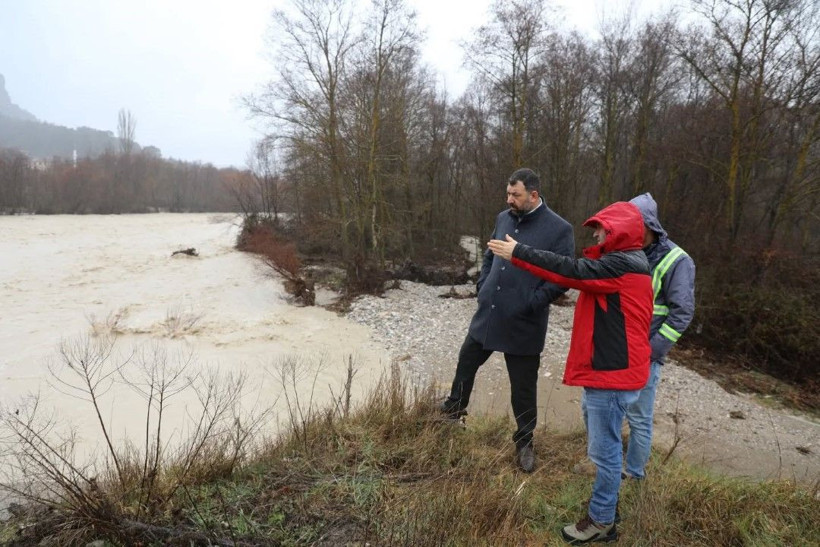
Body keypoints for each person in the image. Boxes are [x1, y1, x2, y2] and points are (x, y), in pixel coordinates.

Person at [488, 200, 653, 544]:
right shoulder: (629, 263)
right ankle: (607, 508)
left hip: (612, 375)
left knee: (604, 452)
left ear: (618, 231)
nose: (594, 233)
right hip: (617, 372)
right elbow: (579, 270)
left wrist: (519, 252)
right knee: (604, 446)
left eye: (600, 228)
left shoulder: (620, 266)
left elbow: (569, 270)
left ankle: (601, 520)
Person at [440, 168, 574, 473]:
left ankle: (524, 441)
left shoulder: (559, 229)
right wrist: (482, 287)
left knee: (523, 386)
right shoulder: (503, 218)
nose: (509, 199)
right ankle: (453, 411)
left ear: (534, 195)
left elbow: (564, 276)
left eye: (516, 194)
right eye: (508, 193)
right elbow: (489, 255)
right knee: (467, 361)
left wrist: (533, 303)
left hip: (525, 321)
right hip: (490, 313)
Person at [623, 192, 695, 480]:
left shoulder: (678, 260)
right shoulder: (626, 252)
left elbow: (681, 314)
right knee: (597, 410)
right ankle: (607, 465)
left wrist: (651, 350)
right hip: (617, 350)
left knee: (639, 419)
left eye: (635, 226)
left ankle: (634, 474)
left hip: (645, 356)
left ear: (650, 225)